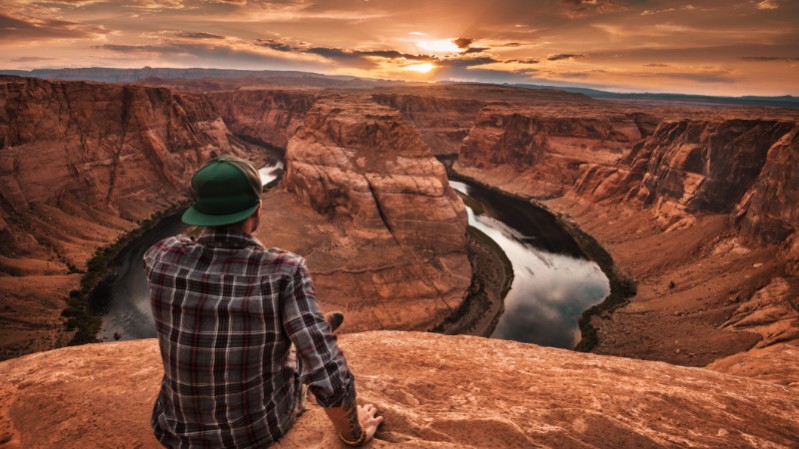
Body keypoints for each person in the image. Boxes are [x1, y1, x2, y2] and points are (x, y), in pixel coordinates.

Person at [144, 155, 383, 448]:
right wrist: (354, 433)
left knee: (276, 336)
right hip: (256, 432)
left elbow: (203, 290)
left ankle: (304, 330)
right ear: (258, 209)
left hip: (175, 431)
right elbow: (328, 375)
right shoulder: (283, 270)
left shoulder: (161, 256)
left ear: (198, 213)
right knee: (297, 354)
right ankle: (309, 328)